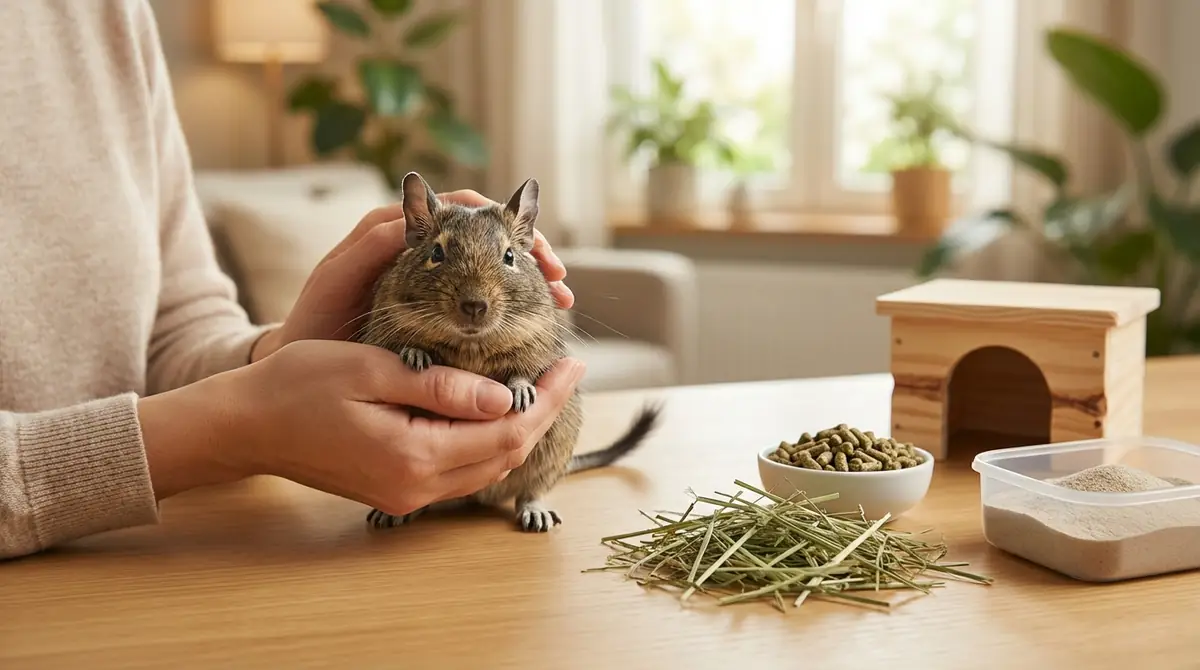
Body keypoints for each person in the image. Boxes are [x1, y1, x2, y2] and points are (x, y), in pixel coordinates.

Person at [0, 1, 584, 560]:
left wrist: (274, 355)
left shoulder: (112, 13)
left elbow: (176, 323)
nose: (477, 298)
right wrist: (236, 428)